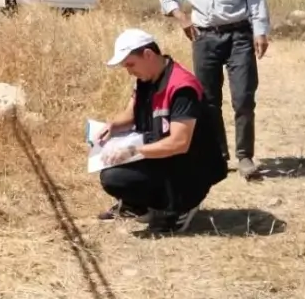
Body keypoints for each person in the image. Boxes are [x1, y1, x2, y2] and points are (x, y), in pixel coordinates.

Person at [158, 0, 270, 181]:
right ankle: (219, 155)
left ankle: (245, 156)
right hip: (204, 38)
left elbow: (256, 0)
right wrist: (181, 17)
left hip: (239, 36)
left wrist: (260, 32)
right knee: (208, 101)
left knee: (243, 96)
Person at [95, 28, 228, 235]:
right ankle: (140, 206)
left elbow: (179, 143)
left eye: (130, 64)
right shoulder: (145, 80)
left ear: (148, 55)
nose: (129, 71)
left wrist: (132, 151)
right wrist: (112, 125)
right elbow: (131, 114)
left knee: (118, 177)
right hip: (162, 155)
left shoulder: (182, 87)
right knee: (111, 176)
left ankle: (180, 207)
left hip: (188, 167)